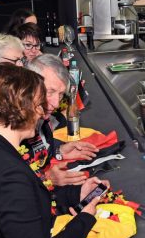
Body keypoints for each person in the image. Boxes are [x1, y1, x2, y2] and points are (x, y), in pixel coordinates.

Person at [0, 62, 106, 238]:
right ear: (21, 107)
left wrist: (77, 194)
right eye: (38, 105)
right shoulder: (10, 174)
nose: (41, 112)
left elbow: (26, 205)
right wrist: (85, 219)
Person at [25, 54, 99, 186]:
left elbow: (37, 153)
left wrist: (59, 151)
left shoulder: (41, 120)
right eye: (50, 92)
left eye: (60, 94)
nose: (56, 104)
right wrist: (45, 179)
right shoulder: (10, 127)